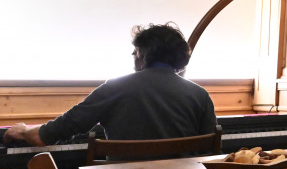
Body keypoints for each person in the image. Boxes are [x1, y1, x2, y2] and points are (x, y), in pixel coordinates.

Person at [3, 22, 217, 147]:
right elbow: (211, 151)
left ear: (142, 54)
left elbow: (54, 132)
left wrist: (23, 131)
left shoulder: (115, 87)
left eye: (135, 52)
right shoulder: (199, 95)